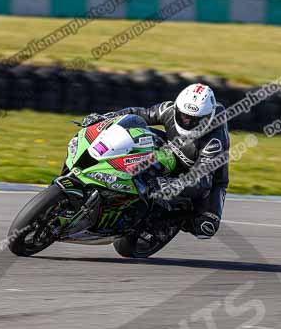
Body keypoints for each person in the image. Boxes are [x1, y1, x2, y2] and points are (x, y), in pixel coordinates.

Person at [81, 83, 229, 239]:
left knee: (206, 227)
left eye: (194, 120)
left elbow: (201, 183)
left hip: (205, 178)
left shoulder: (214, 143)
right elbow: (138, 114)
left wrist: (165, 184)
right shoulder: (168, 110)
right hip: (171, 151)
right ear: (177, 108)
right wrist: (105, 118)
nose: (187, 122)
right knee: (135, 133)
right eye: (184, 116)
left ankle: (169, 219)